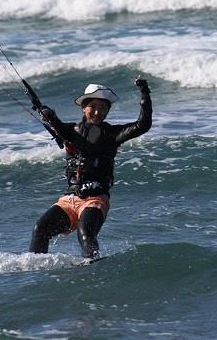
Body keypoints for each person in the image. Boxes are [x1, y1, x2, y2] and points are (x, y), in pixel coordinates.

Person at [28, 78, 152, 259]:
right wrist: (48, 114)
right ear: (83, 108)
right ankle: (34, 270)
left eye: (103, 108)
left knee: (85, 234)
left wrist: (145, 93)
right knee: (40, 229)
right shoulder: (71, 131)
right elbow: (56, 124)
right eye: (92, 106)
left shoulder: (112, 134)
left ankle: (93, 269)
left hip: (95, 199)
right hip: (69, 199)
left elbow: (143, 125)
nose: (97, 112)